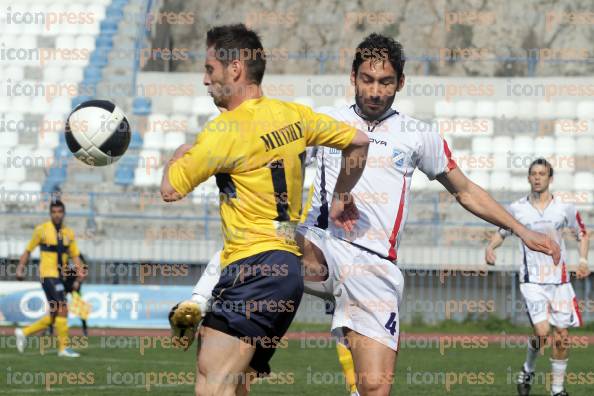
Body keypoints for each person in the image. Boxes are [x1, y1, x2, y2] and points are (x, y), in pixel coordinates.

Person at [297, 33, 560, 396]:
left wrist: (521, 229)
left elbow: (465, 190)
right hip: (322, 245)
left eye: (386, 82)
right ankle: (212, 310)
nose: (375, 91)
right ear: (353, 77)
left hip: (375, 267)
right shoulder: (324, 121)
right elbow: (279, 158)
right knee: (268, 252)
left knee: (374, 388)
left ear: (400, 82)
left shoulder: (418, 135)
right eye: (367, 80)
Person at [161, 24, 370, 396]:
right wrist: (342, 194)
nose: (205, 79)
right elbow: (358, 141)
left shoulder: (223, 131)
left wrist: (177, 157)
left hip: (252, 270)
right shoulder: (294, 114)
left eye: (210, 69)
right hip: (284, 272)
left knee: (213, 386)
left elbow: (171, 189)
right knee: (232, 381)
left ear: (235, 69)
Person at [485, 158, 589, 396]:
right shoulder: (517, 208)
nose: (538, 177)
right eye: (534, 173)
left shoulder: (565, 207)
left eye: (542, 173)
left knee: (562, 335)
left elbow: (582, 233)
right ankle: (528, 369)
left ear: (550, 178)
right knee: (542, 333)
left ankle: (557, 390)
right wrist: (490, 248)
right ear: (529, 178)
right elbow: (502, 232)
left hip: (560, 281)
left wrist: (583, 261)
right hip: (532, 281)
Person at [15, 199, 86, 357]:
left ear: (64, 213)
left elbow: (74, 255)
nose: (57, 215)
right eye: (54, 212)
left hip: (60, 276)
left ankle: (24, 332)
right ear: (50, 213)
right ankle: (63, 349)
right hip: (48, 275)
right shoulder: (41, 230)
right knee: (63, 307)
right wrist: (20, 268)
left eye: (59, 212)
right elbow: (28, 250)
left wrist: (80, 270)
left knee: (55, 315)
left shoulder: (69, 233)